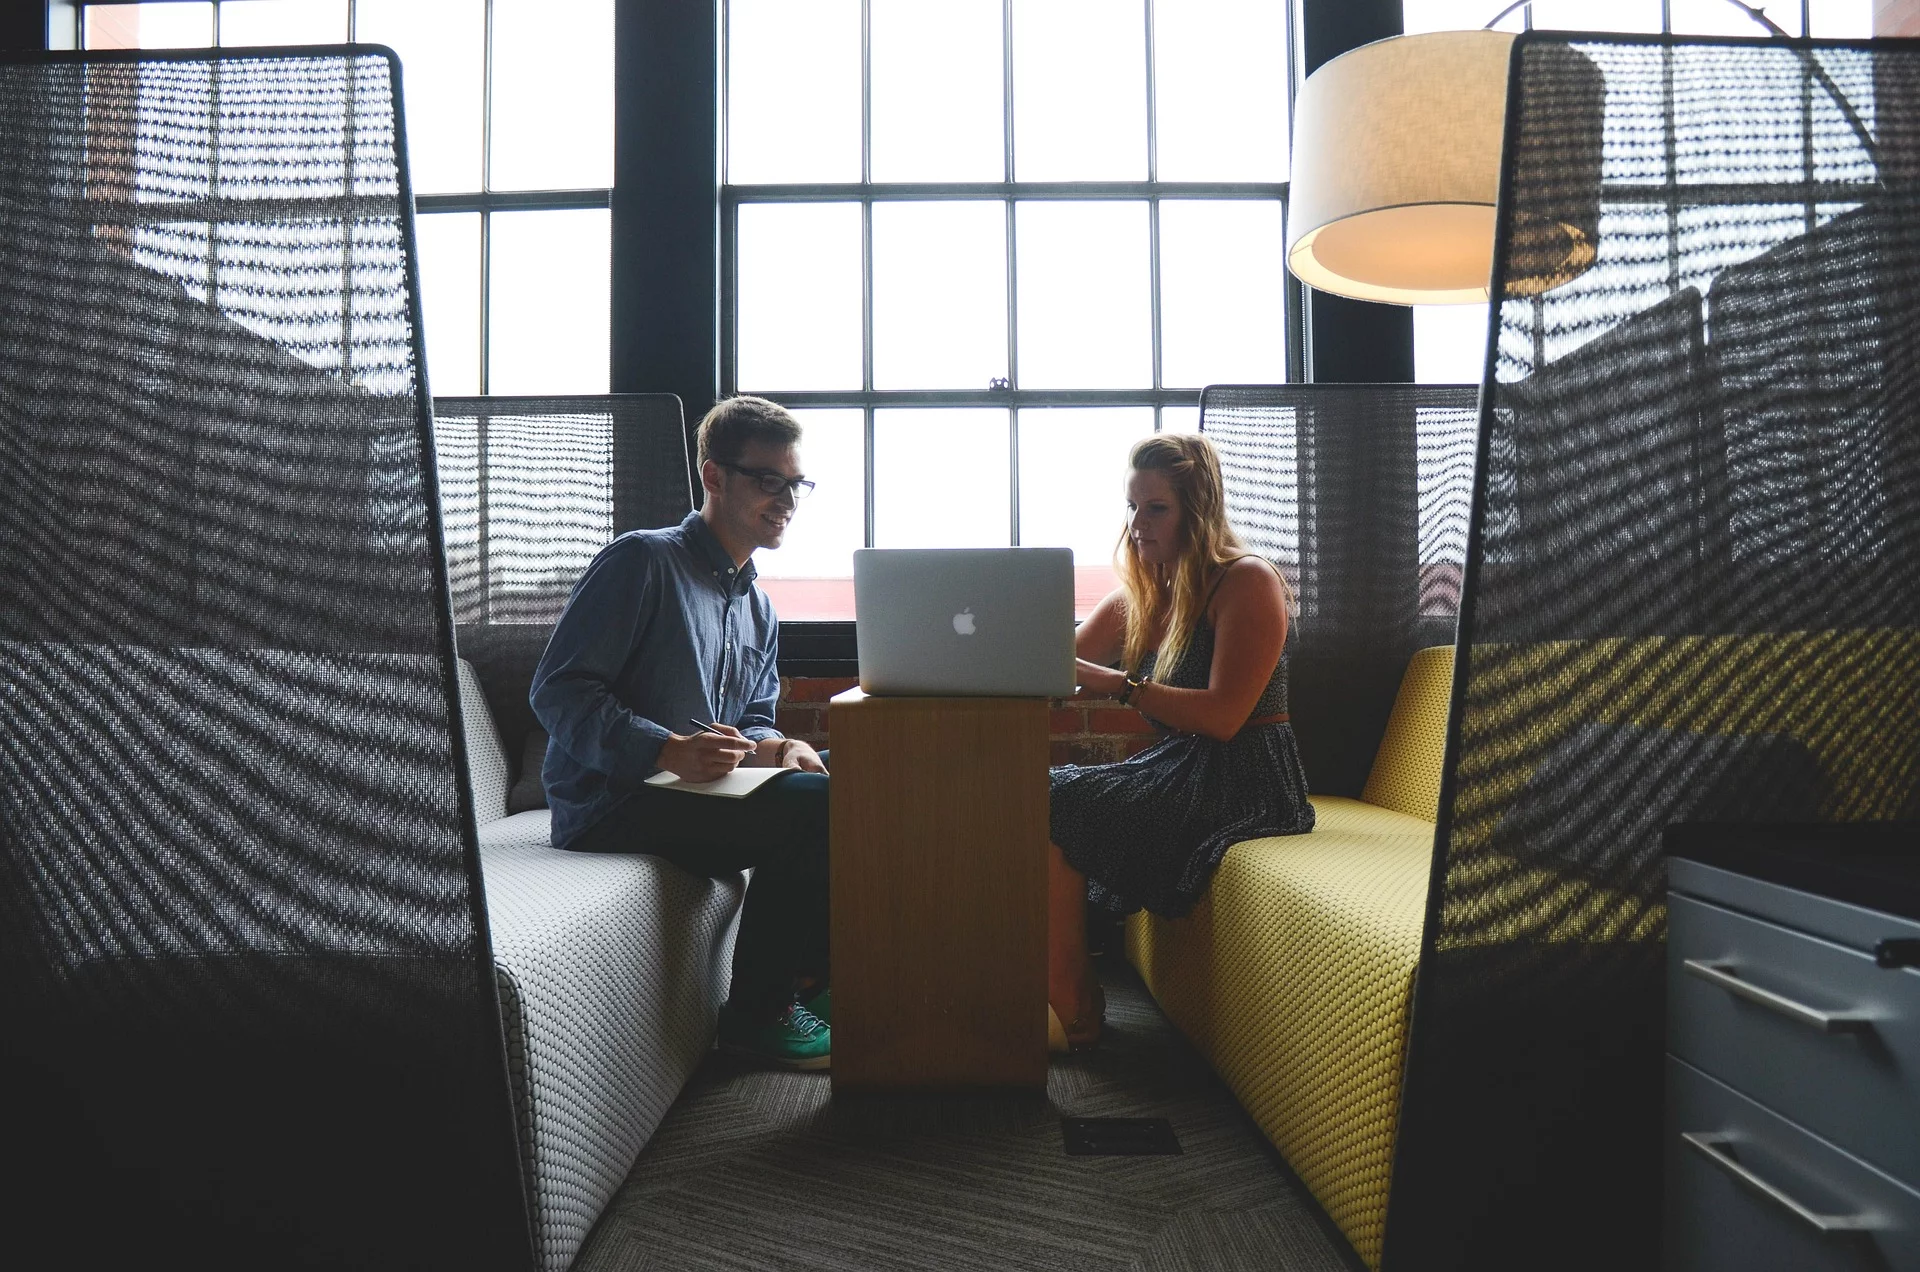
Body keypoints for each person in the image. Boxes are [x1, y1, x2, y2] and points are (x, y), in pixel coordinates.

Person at [530, 394, 833, 1070]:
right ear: (715, 475)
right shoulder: (641, 561)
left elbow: (752, 718)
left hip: (698, 795)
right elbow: (558, 690)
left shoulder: (758, 607)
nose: (787, 499)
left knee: (850, 775)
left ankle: (819, 979)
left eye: (796, 483)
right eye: (768, 480)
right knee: (820, 808)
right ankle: (756, 1017)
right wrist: (664, 749)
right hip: (613, 802)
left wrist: (778, 747)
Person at [1047, 434, 1314, 1051]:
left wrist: (1121, 686)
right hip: (1179, 767)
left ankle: (1072, 1005)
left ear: (1197, 511)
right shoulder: (1142, 595)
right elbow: (1053, 666)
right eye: (1131, 507)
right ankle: (1070, 992)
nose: (1137, 524)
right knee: (1045, 794)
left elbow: (1224, 717)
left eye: (1155, 508)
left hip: (1247, 776)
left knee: (1055, 800)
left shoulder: (1246, 582)